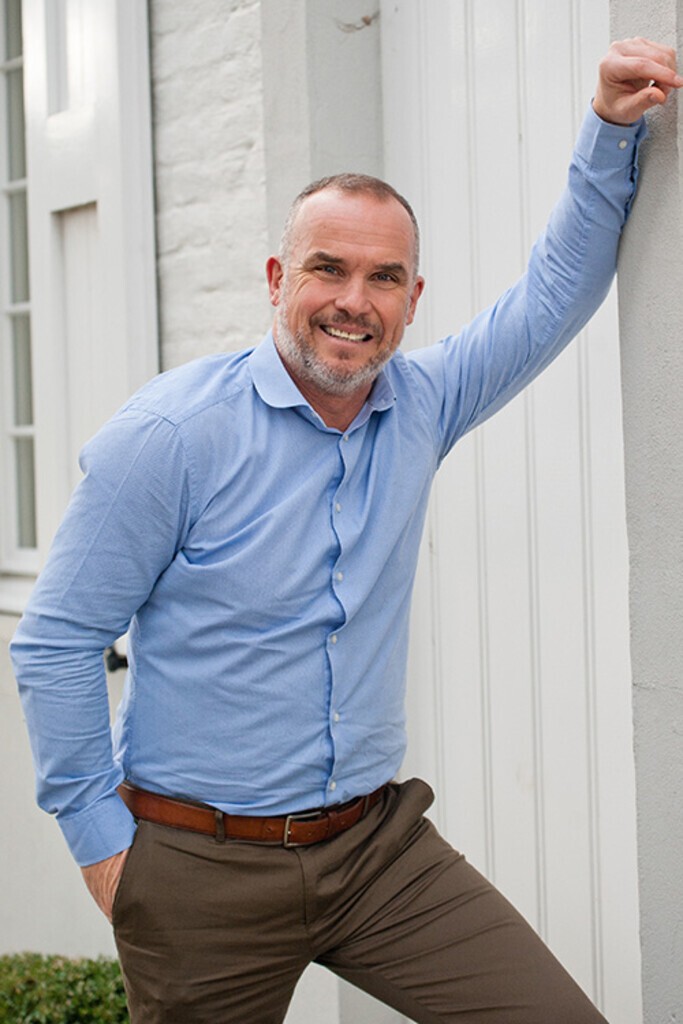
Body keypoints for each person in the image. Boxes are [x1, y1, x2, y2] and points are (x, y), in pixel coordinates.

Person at [10, 37, 682, 1024]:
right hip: (200, 865)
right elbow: (56, 640)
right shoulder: (170, 437)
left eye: (383, 278)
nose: (352, 303)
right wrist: (105, 850)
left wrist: (609, 128)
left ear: (412, 300)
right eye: (327, 268)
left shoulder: (422, 403)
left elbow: (551, 296)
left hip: (375, 851)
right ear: (277, 276)